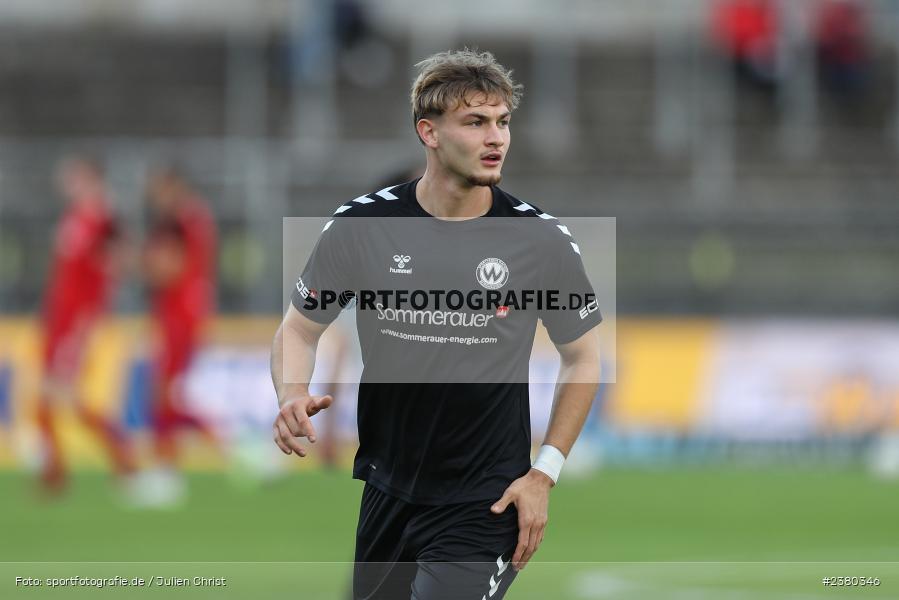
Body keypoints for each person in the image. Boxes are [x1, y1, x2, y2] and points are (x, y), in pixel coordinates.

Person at [271, 49, 602, 599]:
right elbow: (300, 328)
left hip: (486, 500)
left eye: (502, 122)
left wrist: (544, 473)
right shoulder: (364, 226)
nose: (495, 138)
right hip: (387, 491)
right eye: (475, 122)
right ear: (429, 132)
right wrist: (291, 391)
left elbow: (584, 356)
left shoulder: (539, 240)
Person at [36, 156, 135, 493]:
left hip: (77, 320)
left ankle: (122, 458)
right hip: (59, 318)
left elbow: (120, 258)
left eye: (75, 176)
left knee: (63, 397)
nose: (68, 182)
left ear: (91, 178)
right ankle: (57, 470)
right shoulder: (76, 217)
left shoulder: (103, 218)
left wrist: (92, 307)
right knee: (50, 398)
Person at [140, 166, 218, 505]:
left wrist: (145, 265)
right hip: (185, 313)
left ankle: (166, 472)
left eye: (159, 191)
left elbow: (171, 268)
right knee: (170, 393)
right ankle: (168, 467)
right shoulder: (195, 218)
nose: (155, 200)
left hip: (180, 315)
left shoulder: (182, 221)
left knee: (164, 393)